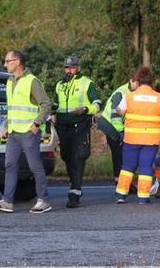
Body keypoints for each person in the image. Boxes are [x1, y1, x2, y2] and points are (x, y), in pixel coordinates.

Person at [0, 50, 53, 214]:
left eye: (7, 61)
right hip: (13, 132)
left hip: (29, 132)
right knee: (9, 165)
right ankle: (7, 201)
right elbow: (11, 108)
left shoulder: (32, 81)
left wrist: (37, 124)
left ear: (17, 62)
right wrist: (6, 126)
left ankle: (43, 200)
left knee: (34, 166)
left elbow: (46, 104)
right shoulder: (10, 81)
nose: (5, 64)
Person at [114, 66, 160, 204]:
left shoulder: (129, 96)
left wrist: (118, 108)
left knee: (128, 166)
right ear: (151, 81)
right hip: (151, 139)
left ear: (138, 80)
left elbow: (120, 111)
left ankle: (121, 195)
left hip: (132, 138)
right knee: (146, 166)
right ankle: (143, 197)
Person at [53, 56, 101, 208]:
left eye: (72, 67)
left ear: (78, 68)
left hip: (80, 125)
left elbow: (98, 104)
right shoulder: (59, 84)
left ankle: (75, 192)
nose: (69, 70)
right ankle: (73, 182)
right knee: (67, 157)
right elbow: (55, 104)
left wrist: (86, 110)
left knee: (78, 157)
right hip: (62, 126)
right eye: (67, 67)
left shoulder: (87, 83)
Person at [97, 74, 133, 182]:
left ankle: (124, 183)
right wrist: (121, 132)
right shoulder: (122, 92)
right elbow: (115, 116)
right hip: (111, 127)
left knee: (122, 157)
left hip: (114, 126)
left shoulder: (131, 92)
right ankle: (120, 184)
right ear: (131, 81)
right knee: (119, 157)